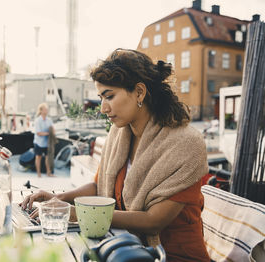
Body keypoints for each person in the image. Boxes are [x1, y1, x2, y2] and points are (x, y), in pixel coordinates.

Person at [22, 48, 210, 261]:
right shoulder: (120, 133)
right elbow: (100, 186)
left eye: (109, 96)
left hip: (171, 255)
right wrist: (59, 199)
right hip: (124, 248)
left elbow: (153, 221)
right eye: (101, 97)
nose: (103, 108)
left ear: (139, 92)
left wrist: (78, 213)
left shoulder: (186, 144)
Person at [33, 103, 55, 177]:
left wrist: (53, 133)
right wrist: (49, 133)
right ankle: (38, 173)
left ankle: (48, 173)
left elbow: (52, 129)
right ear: (41, 111)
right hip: (38, 142)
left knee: (47, 158)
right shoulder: (37, 120)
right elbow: (38, 133)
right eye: (45, 109)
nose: (47, 111)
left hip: (47, 143)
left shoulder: (49, 120)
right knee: (38, 157)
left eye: (47, 109)